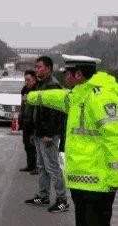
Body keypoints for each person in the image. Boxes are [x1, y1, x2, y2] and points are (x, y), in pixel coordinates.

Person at [27, 55, 117, 225]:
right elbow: (56, 97)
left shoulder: (100, 97)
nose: (65, 77)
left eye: (67, 73)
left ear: (79, 75)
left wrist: (114, 178)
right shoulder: (78, 95)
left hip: (99, 185)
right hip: (82, 182)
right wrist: (32, 97)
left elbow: (114, 137)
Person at [24, 56, 69, 213]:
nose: (36, 69)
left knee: (52, 167)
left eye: (39, 67)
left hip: (48, 134)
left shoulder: (53, 85)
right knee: (42, 166)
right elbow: (38, 109)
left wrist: (49, 133)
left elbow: (57, 113)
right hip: (39, 133)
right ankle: (43, 196)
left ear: (48, 68)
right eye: (36, 67)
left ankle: (62, 199)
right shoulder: (41, 84)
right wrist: (34, 132)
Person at [19, 69, 38, 175]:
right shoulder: (24, 90)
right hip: (25, 122)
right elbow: (23, 107)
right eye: (25, 80)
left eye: (28, 80)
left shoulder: (37, 91)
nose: (26, 82)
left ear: (34, 80)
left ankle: (37, 167)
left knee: (34, 147)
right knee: (27, 145)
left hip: (33, 123)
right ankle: (30, 165)